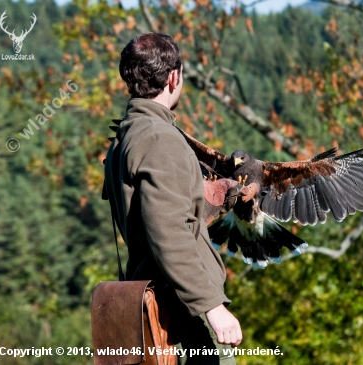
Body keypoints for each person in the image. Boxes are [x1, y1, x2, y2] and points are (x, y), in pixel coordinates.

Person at [104, 32, 242, 364]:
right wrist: (212, 306)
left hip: (162, 304)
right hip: (183, 315)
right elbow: (168, 231)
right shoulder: (159, 138)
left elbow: (152, 215)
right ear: (173, 77)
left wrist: (211, 200)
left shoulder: (126, 137)